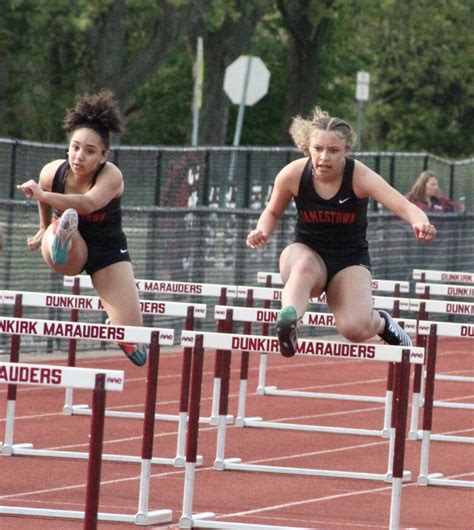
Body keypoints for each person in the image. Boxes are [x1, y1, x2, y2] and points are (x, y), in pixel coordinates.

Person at [246, 107, 437, 357]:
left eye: (333, 151)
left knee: (354, 328)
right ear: (308, 147)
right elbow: (271, 212)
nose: (324, 157)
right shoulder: (292, 174)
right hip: (306, 253)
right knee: (302, 265)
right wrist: (261, 230)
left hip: (348, 260)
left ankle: (383, 323)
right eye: (318, 149)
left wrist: (420, 223)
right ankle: (289, 321)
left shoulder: (359, 176)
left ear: (346, 151)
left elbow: (404, 205)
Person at [17, 90, 147, 366]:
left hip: (107, 248)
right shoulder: (52, 172)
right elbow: (45, 198)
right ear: (68, 147)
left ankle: (120, 330)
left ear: (103, 156)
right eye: (75, 148)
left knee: (133, 330)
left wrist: (43, 196)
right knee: (65, 228)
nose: (79, 157)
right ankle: (59, 238)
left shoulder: (111, 176)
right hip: (70, 245)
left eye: (89, 152)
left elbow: (88, 203)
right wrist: (42, 228)